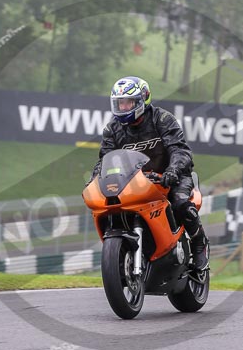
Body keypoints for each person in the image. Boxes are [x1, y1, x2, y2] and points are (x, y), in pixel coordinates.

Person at [88, 76, 209, 270]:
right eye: (120, 103)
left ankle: (199, 244)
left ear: (142, 99)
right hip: (134, 182)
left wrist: (173, 170)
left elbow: (180, 149)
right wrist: (96, 179)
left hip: (171, 176)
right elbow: (105, 159)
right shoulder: (112, 129)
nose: (124, 108)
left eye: (128, 103)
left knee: (180, 203)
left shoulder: (162, 119)